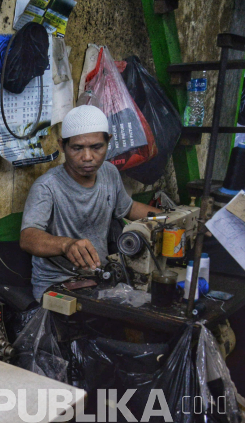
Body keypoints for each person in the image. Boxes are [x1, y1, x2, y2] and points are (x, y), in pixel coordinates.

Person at [20, 105, 161, 300]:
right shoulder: (47, 187)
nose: (87, 157)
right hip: (57, 284)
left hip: (100, 278)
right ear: (62, 146)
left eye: (96, 147)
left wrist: (167, 220)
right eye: (77, 148)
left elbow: (129, 208)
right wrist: (66, 245)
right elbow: (28, 237)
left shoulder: (109, 173)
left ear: (108, 142)